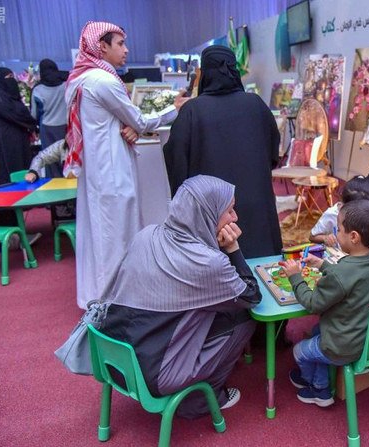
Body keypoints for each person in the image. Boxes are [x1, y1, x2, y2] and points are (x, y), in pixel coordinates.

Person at [98, 175, 260, 417]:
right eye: (229, 210)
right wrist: (232, 248)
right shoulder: (208, 263)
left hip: (113, 360)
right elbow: (251, 295)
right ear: (207, 213)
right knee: (245, 319)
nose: (235, 217)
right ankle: (200, 400)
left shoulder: (147, 235)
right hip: (155, 375)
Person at [65, 21, 187, 309]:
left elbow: (122, 121)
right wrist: (175, 109)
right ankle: (117, 302)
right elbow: (140, 120)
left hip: (98, 172)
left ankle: (101, 296)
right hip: (111, 173)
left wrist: (130, 125)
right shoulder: (102, 81)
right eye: (120, 43)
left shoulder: (82, 79)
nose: (126, 49)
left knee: (101, 237)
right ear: (101, 46)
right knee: (115, 237)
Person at [163, 45, 282, 258]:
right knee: (262, 261)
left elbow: (176, 159)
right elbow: (274, 152)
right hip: (257, 201)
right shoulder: (255, 104)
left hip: (213, 212)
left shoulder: (192, 110)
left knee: (217, 266)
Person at [279, 199, 369, 406]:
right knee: (318, 332)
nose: (336, 233)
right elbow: (349, 277)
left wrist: (295, 276)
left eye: (339, 229)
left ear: (353, 237)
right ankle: (321, 387)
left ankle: (317, 388)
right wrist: (324, 265)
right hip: (362, 336)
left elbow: (312, 304)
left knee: (299, 351)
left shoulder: (340, 273)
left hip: (341, 346)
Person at [0, 67, 37, 185]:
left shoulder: (9, 96)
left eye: (12, 77)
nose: (11, 80)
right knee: (10, 171)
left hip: (17, 138)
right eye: (8, 77)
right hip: (4, 141)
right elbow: (10, 112)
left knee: (23, 167)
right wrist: (31, 123)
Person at [309, 175, 369, 246]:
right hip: (338, 254)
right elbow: (312, 237)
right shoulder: (332, 214)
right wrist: (325, 238)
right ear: (343, 203)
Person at [31, 59, 69, 177]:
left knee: (49, 159)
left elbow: (33, 114)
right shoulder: (65, 84)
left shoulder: (37, 89)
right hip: (66, 126)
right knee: (66, 156)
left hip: (47, 128)